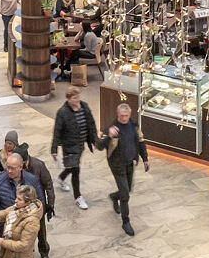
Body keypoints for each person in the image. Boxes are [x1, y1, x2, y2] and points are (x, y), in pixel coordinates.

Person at [96, 103, 149, 237]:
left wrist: (145, 159)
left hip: (130, 163)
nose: (124, 118)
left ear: (129, 115)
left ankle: (114, 196)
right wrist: (109, 135)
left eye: (126, 116)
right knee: (125, 194)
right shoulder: (111, 128)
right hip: (117, 165)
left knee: (128, 189)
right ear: (117, 115)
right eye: (122, 116)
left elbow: (141, 141)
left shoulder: (134, 126)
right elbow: (99, 146)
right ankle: (126, 222)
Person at [50, 87, 98, 210]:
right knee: (76, 170)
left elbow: (91, 124)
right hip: (69, 146)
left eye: (78, 97)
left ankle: (61, 178)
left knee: (72, 166)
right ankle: (78, 197)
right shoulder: (62, 112)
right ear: (68, 99)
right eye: (74, 98)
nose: (77, 100)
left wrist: (95, 140)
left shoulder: (84, 107)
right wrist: (54, 149)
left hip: (80, 144)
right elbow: (57, 131)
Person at [19, 145, 55, 258]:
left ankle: (44, 251)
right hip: (23, 206)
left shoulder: (38, 165)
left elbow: (49, 185)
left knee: (41, 231)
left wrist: (50, 204)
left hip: (38, 206)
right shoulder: (18, 168)